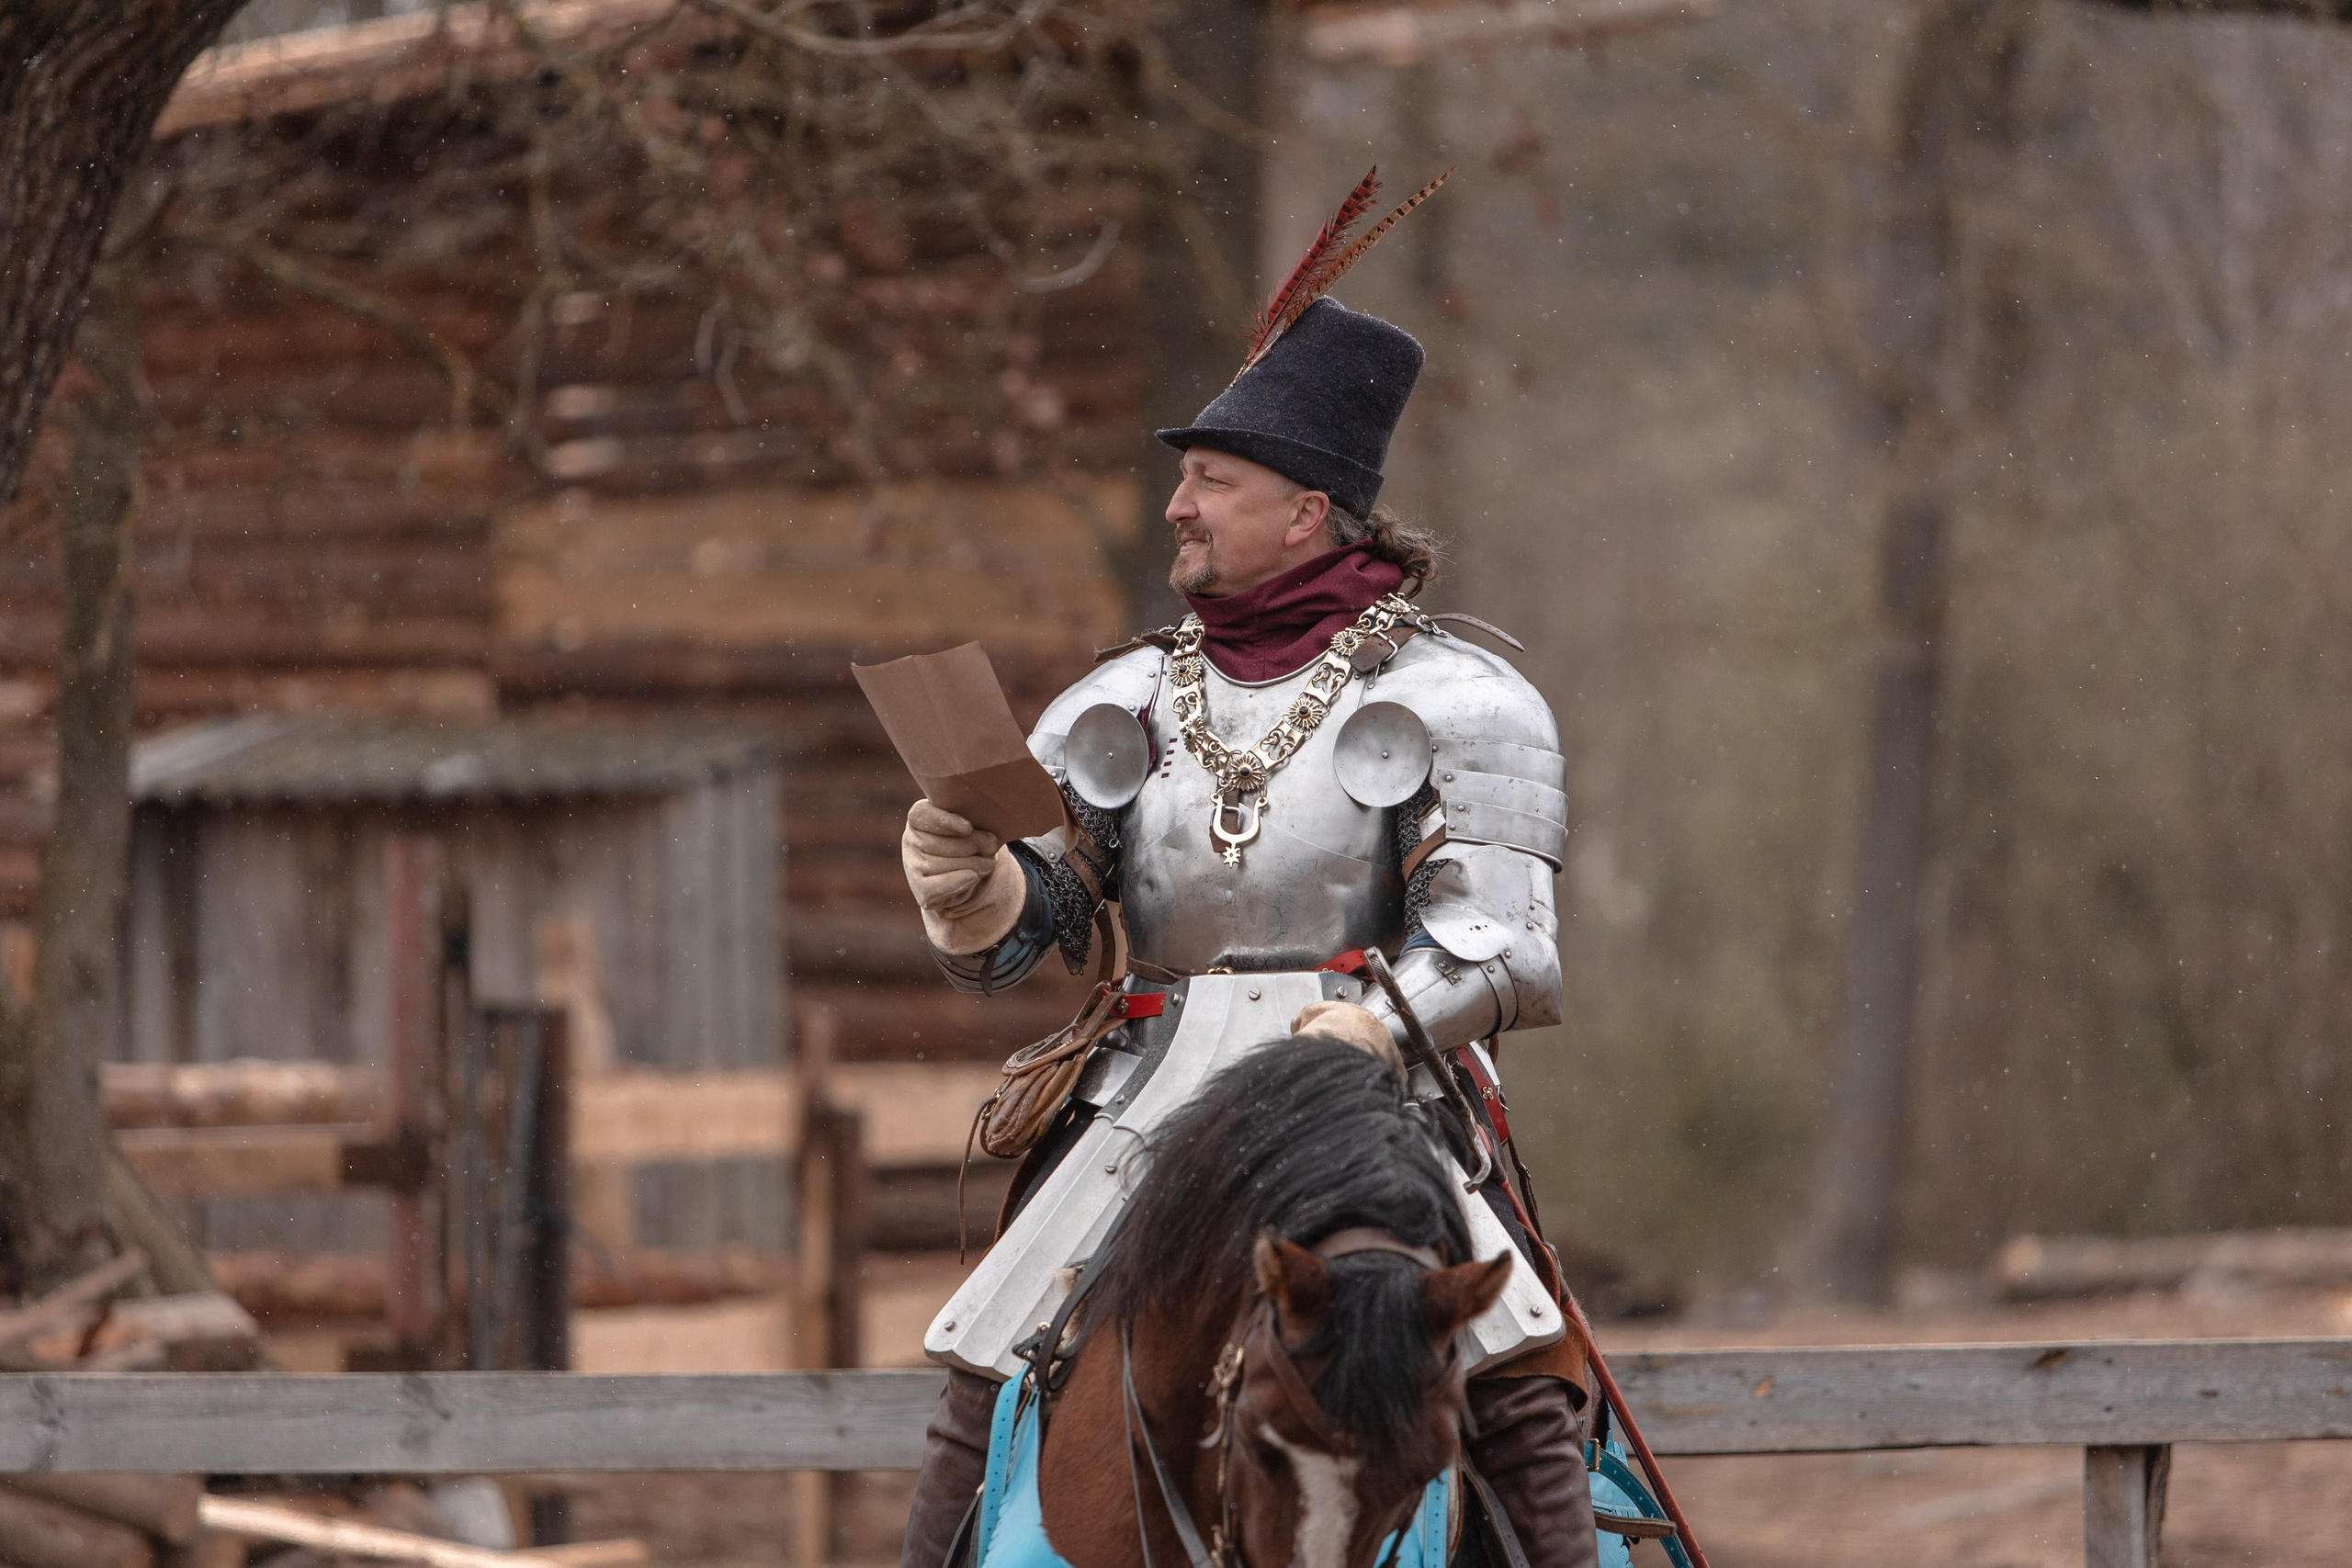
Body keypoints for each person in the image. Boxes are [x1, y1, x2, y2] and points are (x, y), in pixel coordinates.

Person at [896, 214, 1597, 1568]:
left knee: (1509, 1357)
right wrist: (973, 892)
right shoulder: (1117, 701)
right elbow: (1033, 933)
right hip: (1147, 1094)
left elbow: (1506, 946)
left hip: (1374, 1100)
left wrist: (1376, 1029)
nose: (1178, 507)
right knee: (984, 1361)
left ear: (1306, 510)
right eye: (1185, 481)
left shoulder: (1464, 700)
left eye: (1211, 482)